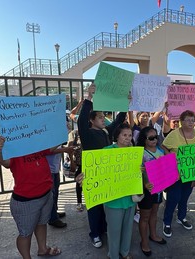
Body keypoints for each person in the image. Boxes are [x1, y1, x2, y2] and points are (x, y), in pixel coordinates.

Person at [0, 137, 73, 258]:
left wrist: (61, 134)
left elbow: (50, 148)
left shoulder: (35, 144)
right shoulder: (14, 150)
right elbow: (3, 161)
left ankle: (43, 249)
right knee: (25, 233)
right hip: (26, 200)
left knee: (42, 223)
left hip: (45, 194)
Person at [77, 83, 128, 248]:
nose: (103, 119)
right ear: (92, 120)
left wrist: (125, 105)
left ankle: (102, 228)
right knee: (94, 206)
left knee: (104, 203)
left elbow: (119, 120)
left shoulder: (106, 131)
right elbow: (80, 122)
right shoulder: (87, 133)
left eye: (104, 116)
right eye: (100, 117)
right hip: (92, 173)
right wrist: (89, 99)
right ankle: (95, 234)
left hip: (105, 173)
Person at [161, 110, 195, 237]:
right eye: (188, 120)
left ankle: (181, 217)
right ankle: (167, 222)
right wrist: (171, 159)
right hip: (175, 172)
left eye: (192, 119)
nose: (190, 122)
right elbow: (163, 147)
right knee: (174, 198)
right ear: (181, 122)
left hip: (190, 173)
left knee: (185, 197)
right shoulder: (174, 134)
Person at [103, 124, 136, 259]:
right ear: (117, 136)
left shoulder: (134, 151)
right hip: (113, 199)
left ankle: (125, 252)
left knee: (128, 229)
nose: (128, 138)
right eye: (124, 135)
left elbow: (136, 172)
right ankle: (113, 255)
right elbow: (100, 172)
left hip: (129, 197)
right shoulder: (107, 150)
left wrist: (140, 169)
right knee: (114, 230)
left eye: (129, 135)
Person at [136, 126, 167, 256]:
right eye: (151, 138)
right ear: (144, 139)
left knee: (154, 213)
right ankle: (144, 242)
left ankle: (153, 235)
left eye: (156, 137)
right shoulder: (140, 154)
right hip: (146, 190)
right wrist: (145, 183)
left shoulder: (160, 150)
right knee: (145, 217)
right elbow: (136, 172)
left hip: (158, 189)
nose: (154, 140)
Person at [46, 152, 67, 228]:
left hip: (55, 168)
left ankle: (54, 213)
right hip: (49, 169)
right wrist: (64, 149)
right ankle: (53, 219)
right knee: (52, 194)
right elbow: (48, 150)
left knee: (56, 192)